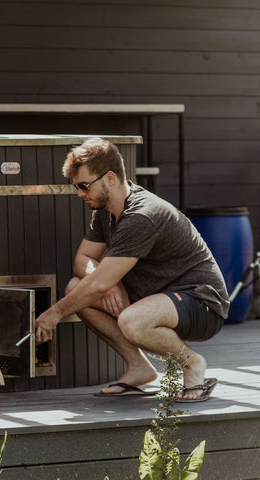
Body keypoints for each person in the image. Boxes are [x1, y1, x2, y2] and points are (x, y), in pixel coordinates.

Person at [34, 137, 229, 402]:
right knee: (76, 288)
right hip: (154, 297)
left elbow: (99, 283)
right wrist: (105, 279)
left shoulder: (142, 215)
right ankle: (138, 367)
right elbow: (83, 259)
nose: (80, 193)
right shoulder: (105, 211)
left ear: (110, 178)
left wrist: (54, 313)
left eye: (84, 186)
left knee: (130, 320)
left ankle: (192, 364)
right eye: (77, 187)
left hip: (201, 302)